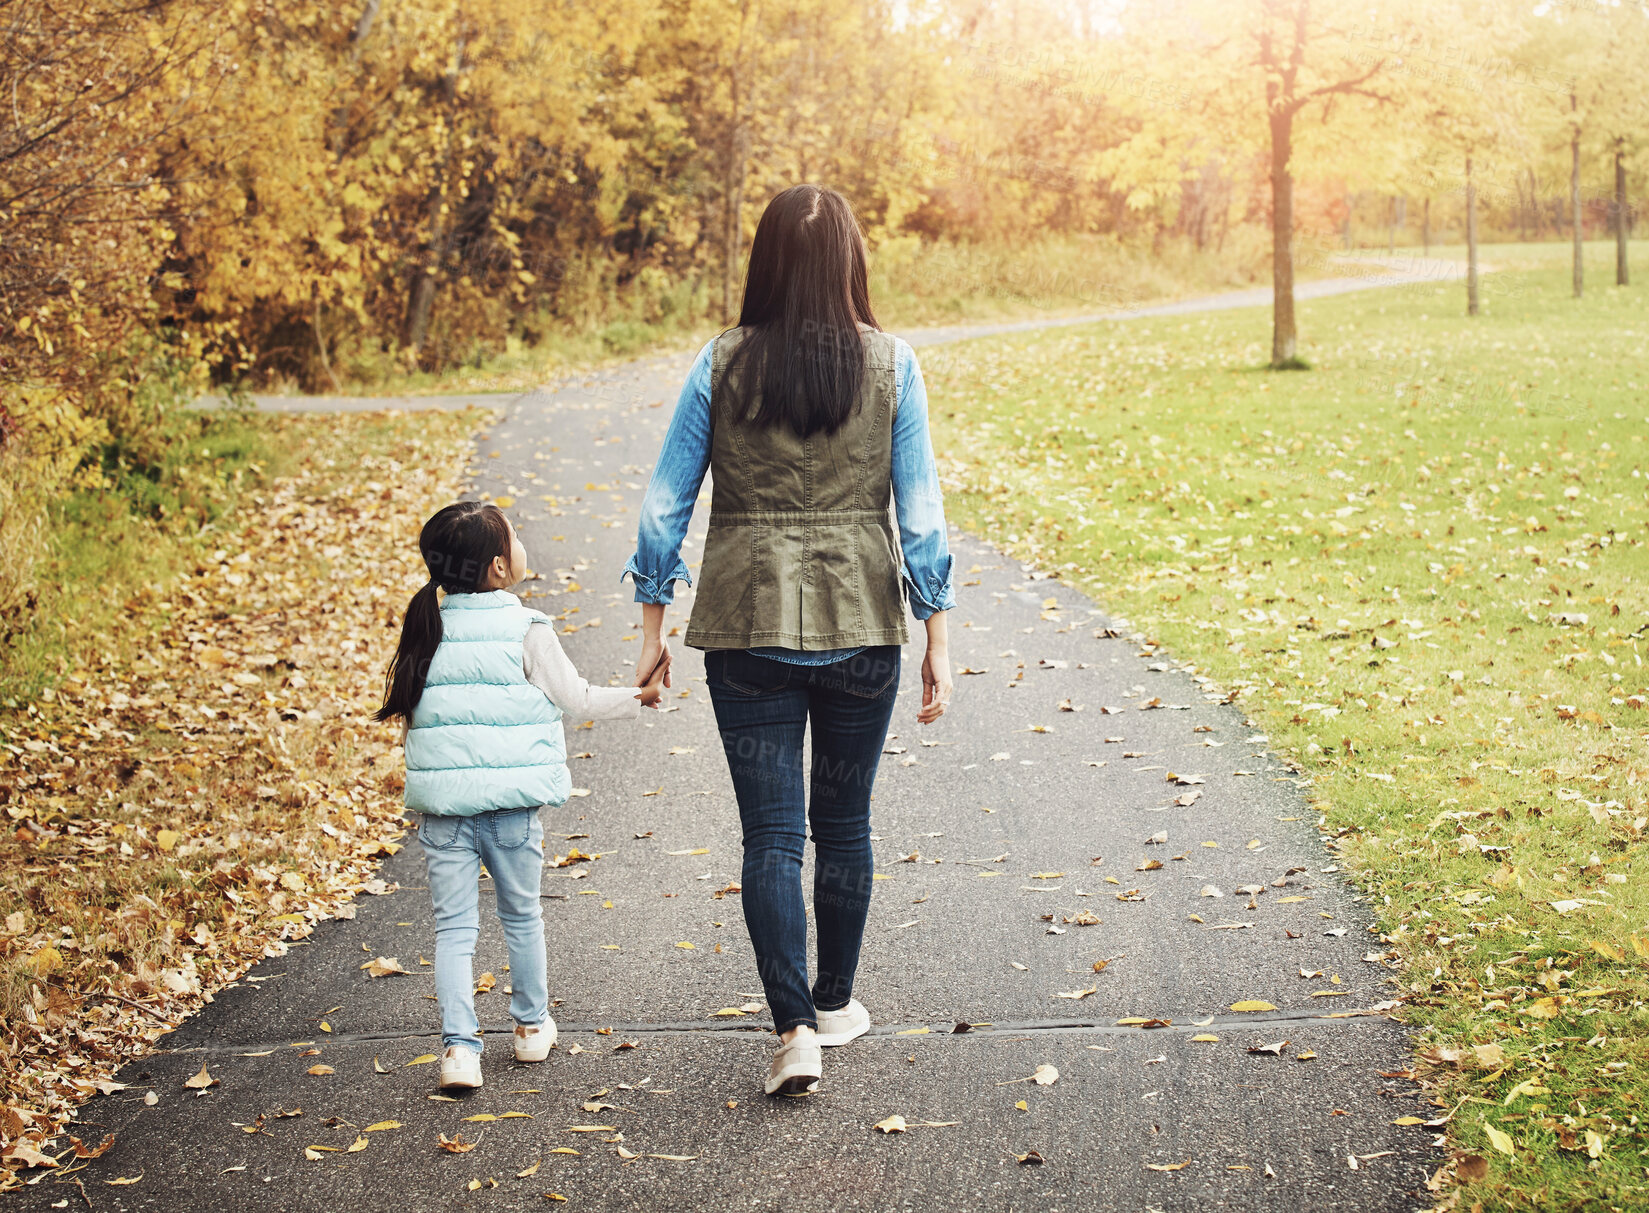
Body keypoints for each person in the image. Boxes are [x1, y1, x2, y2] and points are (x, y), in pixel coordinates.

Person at [622, 184, 956, 1097]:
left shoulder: (720, 362)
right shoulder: (891, 365)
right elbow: (920, 513)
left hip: (745, 624)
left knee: (771, 835)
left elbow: (663, 504)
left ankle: (793, 1028)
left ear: (763, 260)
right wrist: (937, 631)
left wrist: (651, 626)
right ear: (850, 260)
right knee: (843, 823)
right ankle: (836, 1001)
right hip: (861, 629)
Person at [377, 501, 670, 1090]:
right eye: (515, 537)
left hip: (444, 815)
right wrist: (638, 696)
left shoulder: (426, 630)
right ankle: (532, 1029)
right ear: (498, 570)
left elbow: (415, 723)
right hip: (511, 808)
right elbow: (576, 698)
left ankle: (460, 1051)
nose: (521, 542)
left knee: (454, 930)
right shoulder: (527, 629)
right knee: (521, 915)